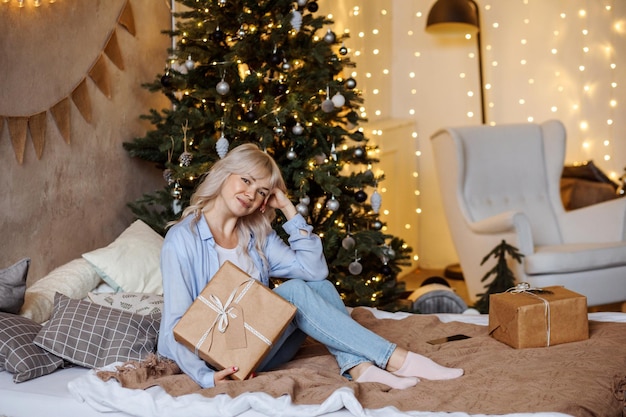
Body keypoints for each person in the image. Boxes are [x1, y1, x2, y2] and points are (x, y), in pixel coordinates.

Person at [158, 143, 463, 389]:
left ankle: (360, 369)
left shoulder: (254, 235)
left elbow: (314, 272)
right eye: (246, 180)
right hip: (220, 357)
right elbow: (176, 324)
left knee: (319, 288)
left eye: (262, 192)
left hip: (261, 343)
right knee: (291, 291)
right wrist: (205, 376)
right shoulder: (182, 239)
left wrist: (290, 210)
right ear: (225, 174)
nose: (251, 194)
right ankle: (397, 359)